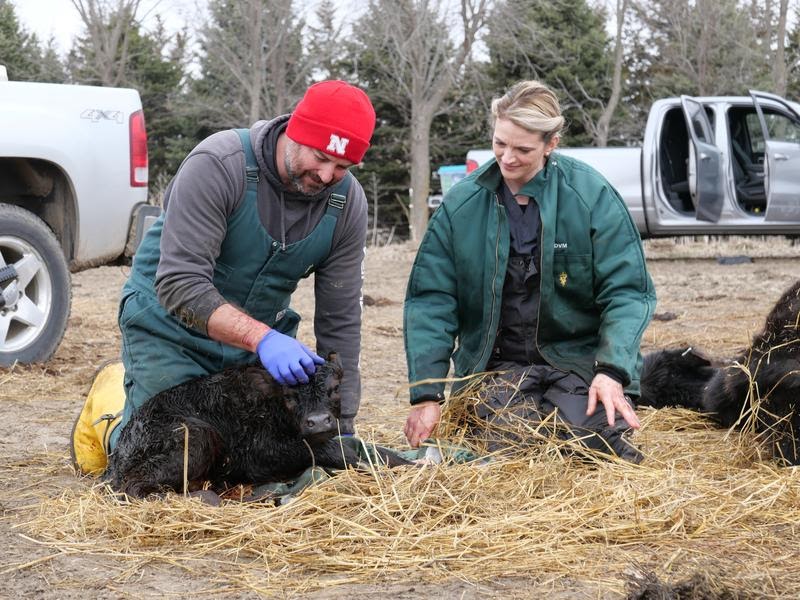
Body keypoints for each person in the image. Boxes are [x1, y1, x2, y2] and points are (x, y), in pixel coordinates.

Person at [73, 80, 376, 467]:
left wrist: (342, 422)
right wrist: (263, 340)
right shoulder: (220, 164)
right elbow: (181, 283)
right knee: (159, 454)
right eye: (320, 157)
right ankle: (108, 412)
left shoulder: (346, 203)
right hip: (171, 329)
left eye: (343, 167)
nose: (328, 174)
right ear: (296, 131)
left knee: (258, 459)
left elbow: (341, 319)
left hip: (261, 344)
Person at [403, 80, 656, 462]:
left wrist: (613, 370)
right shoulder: (462, 205)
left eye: (522, 149)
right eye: (499, 144)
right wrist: (427, 393)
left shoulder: (591, 196)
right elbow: (431, 301)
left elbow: (627, 292)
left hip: (575, 361)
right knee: (509, 450)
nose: (506, 158)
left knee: (592, 446)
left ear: (551, 144)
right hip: (498, 366)